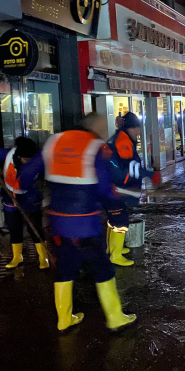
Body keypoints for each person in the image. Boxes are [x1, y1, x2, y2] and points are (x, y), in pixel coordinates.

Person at [43, 113, 136, 331]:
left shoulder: (54, 142)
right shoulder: (95, 147)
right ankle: (115, 318)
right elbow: (103, 187)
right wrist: (117, 195)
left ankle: (64, 320)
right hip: (85, 223)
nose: (106, 130)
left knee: (65, 268)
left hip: (58, 223)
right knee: (102, 268)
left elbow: (29, 173)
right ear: (93, 127)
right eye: (103, 126)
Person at [105, 112, 161, 267]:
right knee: (121, 220)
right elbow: (130, 167)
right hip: (116, 187)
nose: (138, 132)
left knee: (114, 219)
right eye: (136, 128)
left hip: (113, 186)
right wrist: (150, 174)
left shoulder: (122, 138)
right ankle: (115, 255)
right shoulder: (123, 141)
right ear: (129, 128)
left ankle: (112, 248)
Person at [0, 137, 49, 270]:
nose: (29, 162)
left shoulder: (39, 160)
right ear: (19, 155)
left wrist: (38, 186)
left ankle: (43, 257)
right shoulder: (7, 154)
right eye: (26, 160)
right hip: (10, 197)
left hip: (31, 198)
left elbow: (44, 178)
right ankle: (17, 257)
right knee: (14, 228)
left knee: (35, 228)